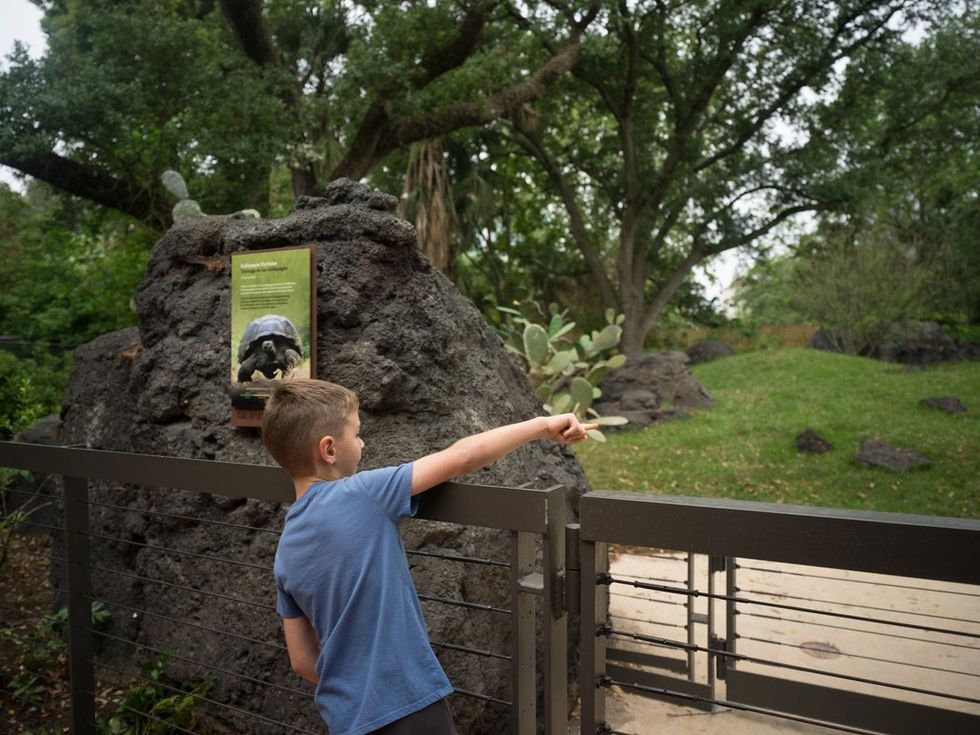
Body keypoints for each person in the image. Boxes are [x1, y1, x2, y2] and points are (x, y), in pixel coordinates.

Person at [262, 379, 596, 735]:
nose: (362, 443)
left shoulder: (285, 552)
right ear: (328, 450)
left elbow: (301, 661)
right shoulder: (363, 493)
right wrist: (542, 426)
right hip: (404, 702)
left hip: (345, 717)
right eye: (356, 434)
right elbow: (464, 456)